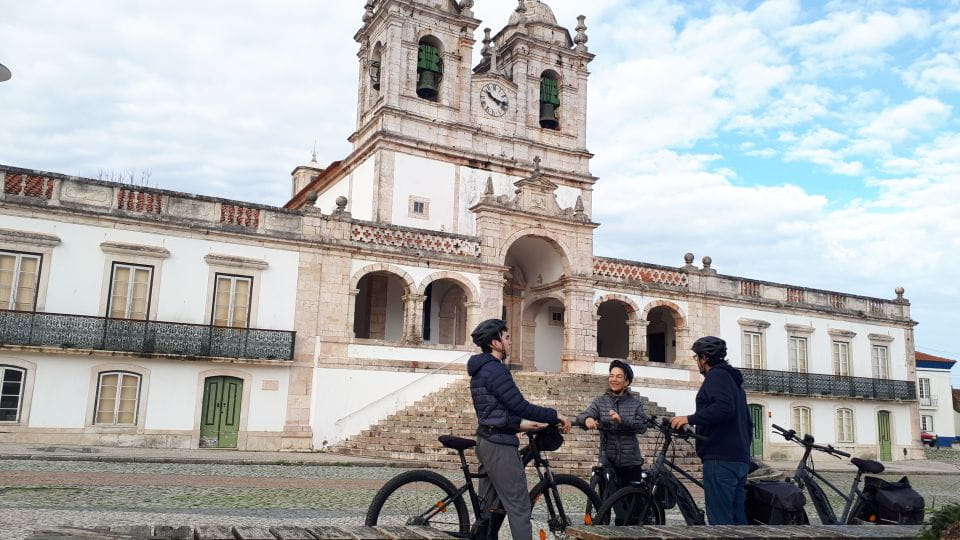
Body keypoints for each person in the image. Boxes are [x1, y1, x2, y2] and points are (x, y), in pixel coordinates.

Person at [467, 319, 572, 539]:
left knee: (489, 508)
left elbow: (493, 409)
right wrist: (554, 415)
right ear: (495, 343)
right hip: (499, 446)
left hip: (487, 438)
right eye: (507, 337)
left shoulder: (482, 368)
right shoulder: (495, 370)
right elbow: (519, 405)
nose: (511, 342)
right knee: (520, 506)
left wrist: (520, 424)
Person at [670, 336, 752, 525]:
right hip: (738, 458)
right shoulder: (733, 381)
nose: (697, 362)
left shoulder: (716, 376)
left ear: (704, 358)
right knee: (738, 519)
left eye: (697, 357)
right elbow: (748, 423)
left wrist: (688, 419)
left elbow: (723, 408)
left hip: (720, 458)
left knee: (720, 521)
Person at [577, 359, 647, 524]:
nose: (614, 379)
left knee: (631, 512)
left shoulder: (635, 403)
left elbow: (642, 426)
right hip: (609, 462)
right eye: (611, 376)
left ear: (627, 381)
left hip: (631, 462)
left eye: (618, 376)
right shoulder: (601, 402)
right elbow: (581, 416)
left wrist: (621, 421)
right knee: (605, 507)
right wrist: (587, 419)